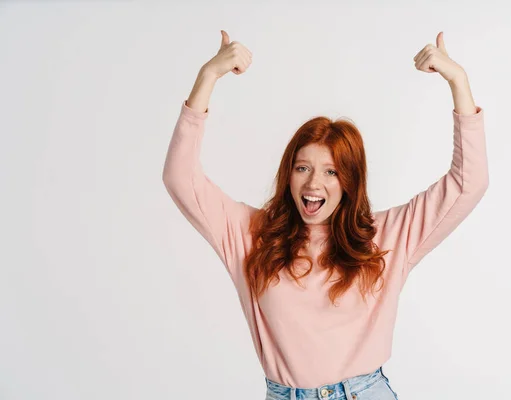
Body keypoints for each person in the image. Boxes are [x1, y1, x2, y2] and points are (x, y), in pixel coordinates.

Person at [162, 30, 488, 400]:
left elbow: (468, 183)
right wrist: (207, 77)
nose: (314, 183)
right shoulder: (252, 235)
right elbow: (180, 178)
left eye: (331, 171)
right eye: (303, 168)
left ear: (349, 181)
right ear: (288, 174)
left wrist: (458, 82)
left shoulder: (385, 236)